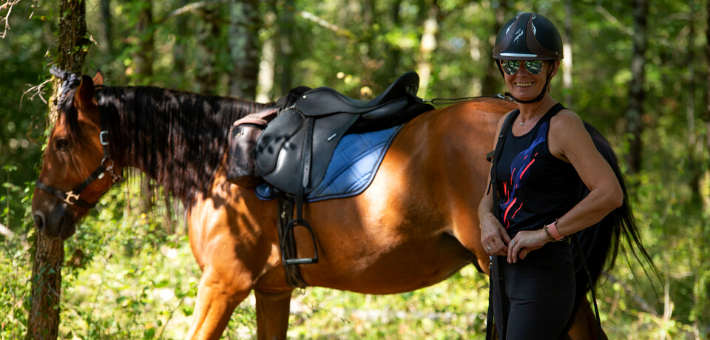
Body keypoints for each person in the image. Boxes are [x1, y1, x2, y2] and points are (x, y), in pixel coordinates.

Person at [477, 12, 623, 339]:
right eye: (512, 65)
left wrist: (544, 234)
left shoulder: (562, 124)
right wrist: (486, 220)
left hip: (544, 279)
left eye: (534, 64)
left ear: (552, 68)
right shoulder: (506, 124)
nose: (521, 75)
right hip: (503, 274)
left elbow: (610, 194)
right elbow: (490, 196)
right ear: (502, 68)